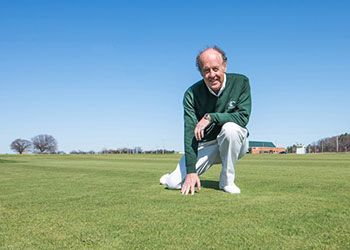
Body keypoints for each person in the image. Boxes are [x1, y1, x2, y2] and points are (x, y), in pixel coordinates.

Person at [160, 46, 251, 195]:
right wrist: (191, 171)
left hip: (235, 142)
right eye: (206, 70)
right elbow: (190, 133)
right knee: (173, 184)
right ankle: (171, 176)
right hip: (207, 144)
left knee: (230, 129)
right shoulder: (191, 94)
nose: (212, 74)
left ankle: (227, 181)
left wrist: (211, 117)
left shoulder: (241, 82)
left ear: (224, 66)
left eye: (216, 68)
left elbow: (243, 117)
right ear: (201, 72)